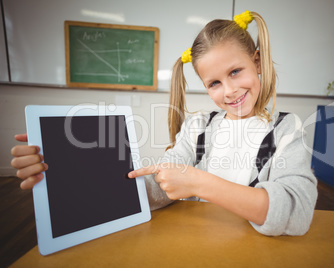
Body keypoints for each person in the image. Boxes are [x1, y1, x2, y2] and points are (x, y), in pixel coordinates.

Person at [10, 11, 317, 236]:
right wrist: (64, 171)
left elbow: (296, 212)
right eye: (214, 83)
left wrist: (198, 182)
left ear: (258, 62)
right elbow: (159, 185)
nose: (229, 90)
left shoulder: (287, 129)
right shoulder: (198, 127)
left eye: (236, 71)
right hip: (194, 243)